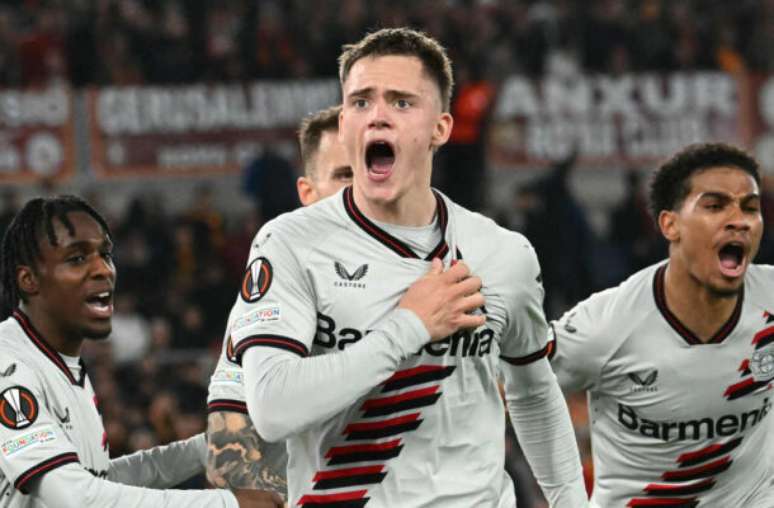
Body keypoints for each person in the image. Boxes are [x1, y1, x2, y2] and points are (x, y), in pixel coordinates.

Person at [226, 27, 587, 507]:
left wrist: (572, 503)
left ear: (440, 128)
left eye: (400, 102)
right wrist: (408, 327)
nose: (377, 116)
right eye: (360, 102)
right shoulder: (290, 243)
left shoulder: (502, 253)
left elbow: (534, 391)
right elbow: (272, 408)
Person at [0, 195, 282, 508]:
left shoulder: (62, 363)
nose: (102, 270)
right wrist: (228, 504)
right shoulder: (8, 364)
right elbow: (76, 497)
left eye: (105, 254)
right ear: (28, 280)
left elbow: (100, 482)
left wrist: (206, 447)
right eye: (77, 258)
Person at [548, 142, 774, 507]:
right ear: (670, 224)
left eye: (751, 207)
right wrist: (563, 495)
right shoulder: (605, 327)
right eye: (715, 205)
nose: (739, 219)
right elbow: (515, 389)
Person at [206, 105, 352, 496]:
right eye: (344, 175)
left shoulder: (440, 268)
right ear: (307, 191)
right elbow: (230, 412)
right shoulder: (279, 269)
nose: (362, 188)